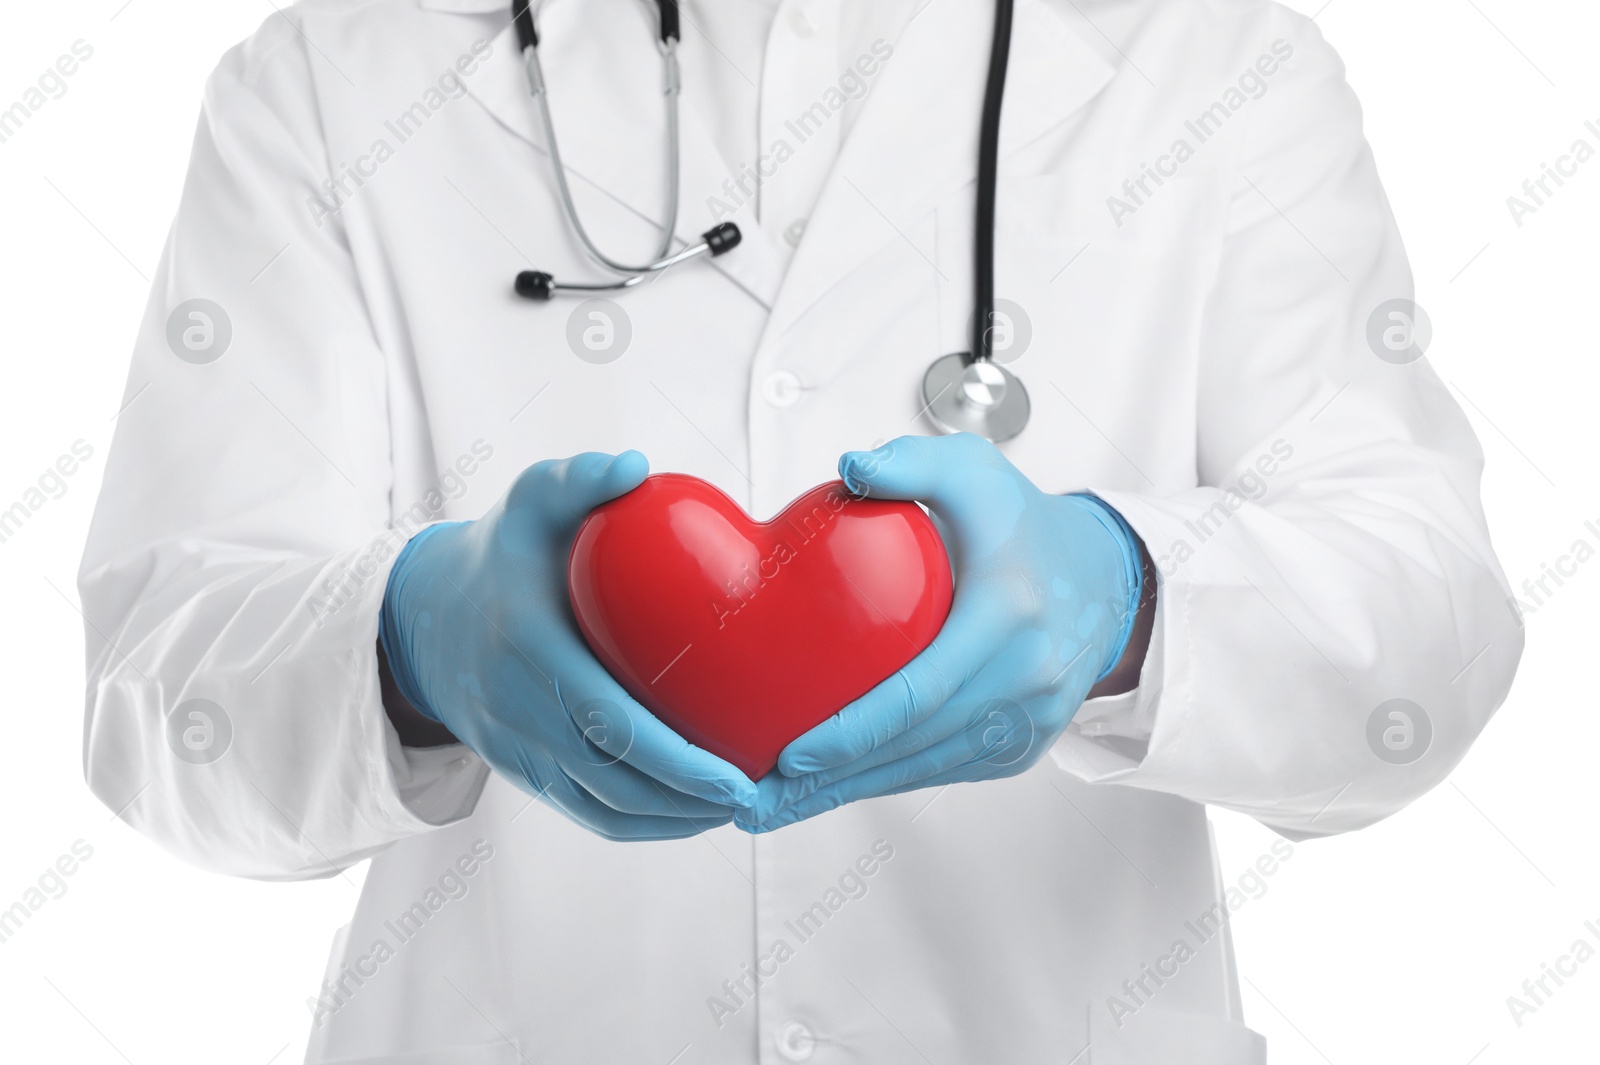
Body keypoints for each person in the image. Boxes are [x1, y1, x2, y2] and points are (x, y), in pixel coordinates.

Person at [78, 0, 1522, 1061]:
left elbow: (1427, 633)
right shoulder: (331, 84)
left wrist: (1125, 599)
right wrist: (414, 641)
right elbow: (162, 690)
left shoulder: (1217, 67)